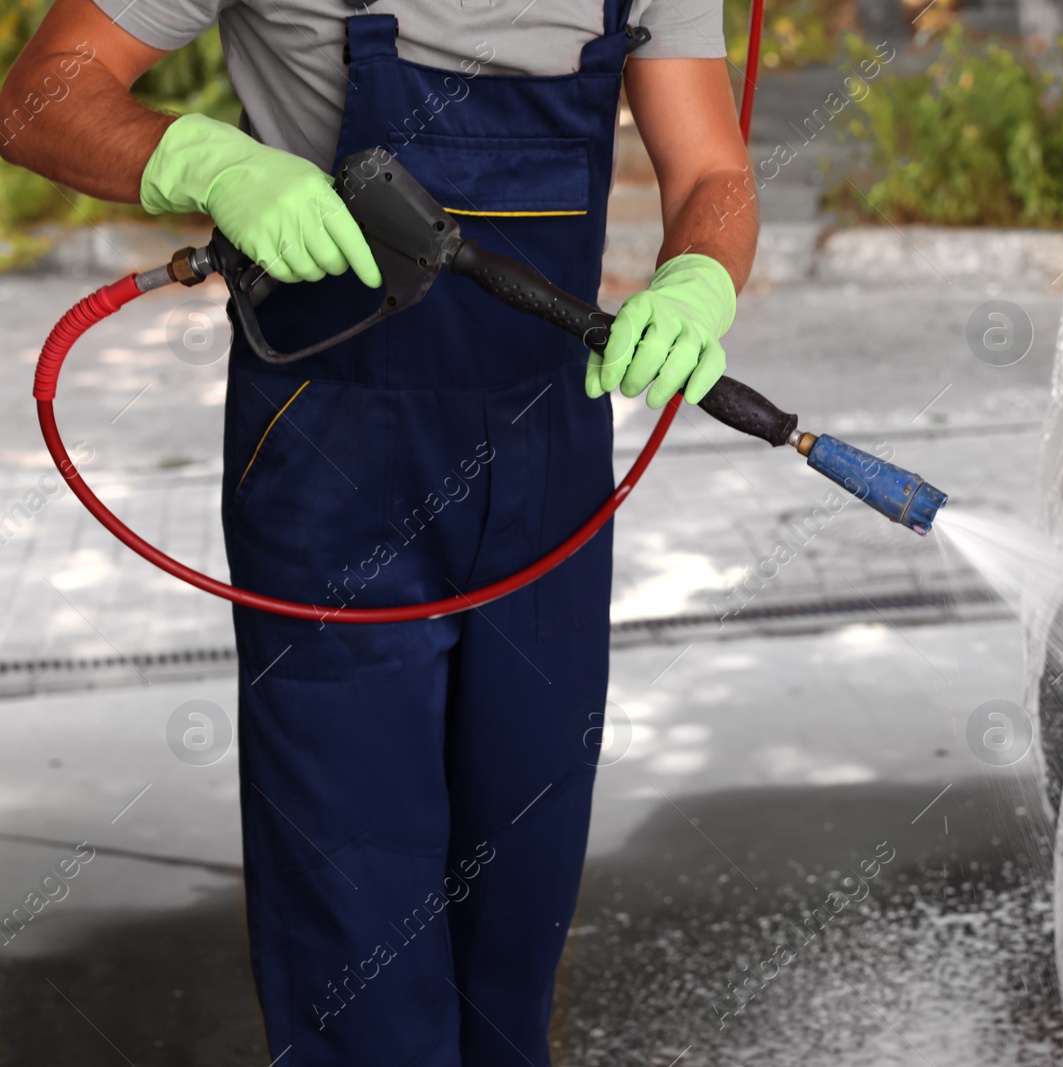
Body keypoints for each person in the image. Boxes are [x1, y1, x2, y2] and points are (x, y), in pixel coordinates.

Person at [0, 0, 757, 1062]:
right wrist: (203, 158)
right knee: (353, 923)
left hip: (548, 463)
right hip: (331, 454)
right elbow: (38, 98)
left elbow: (709, 174)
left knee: (518, 910)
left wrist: (700, 277)